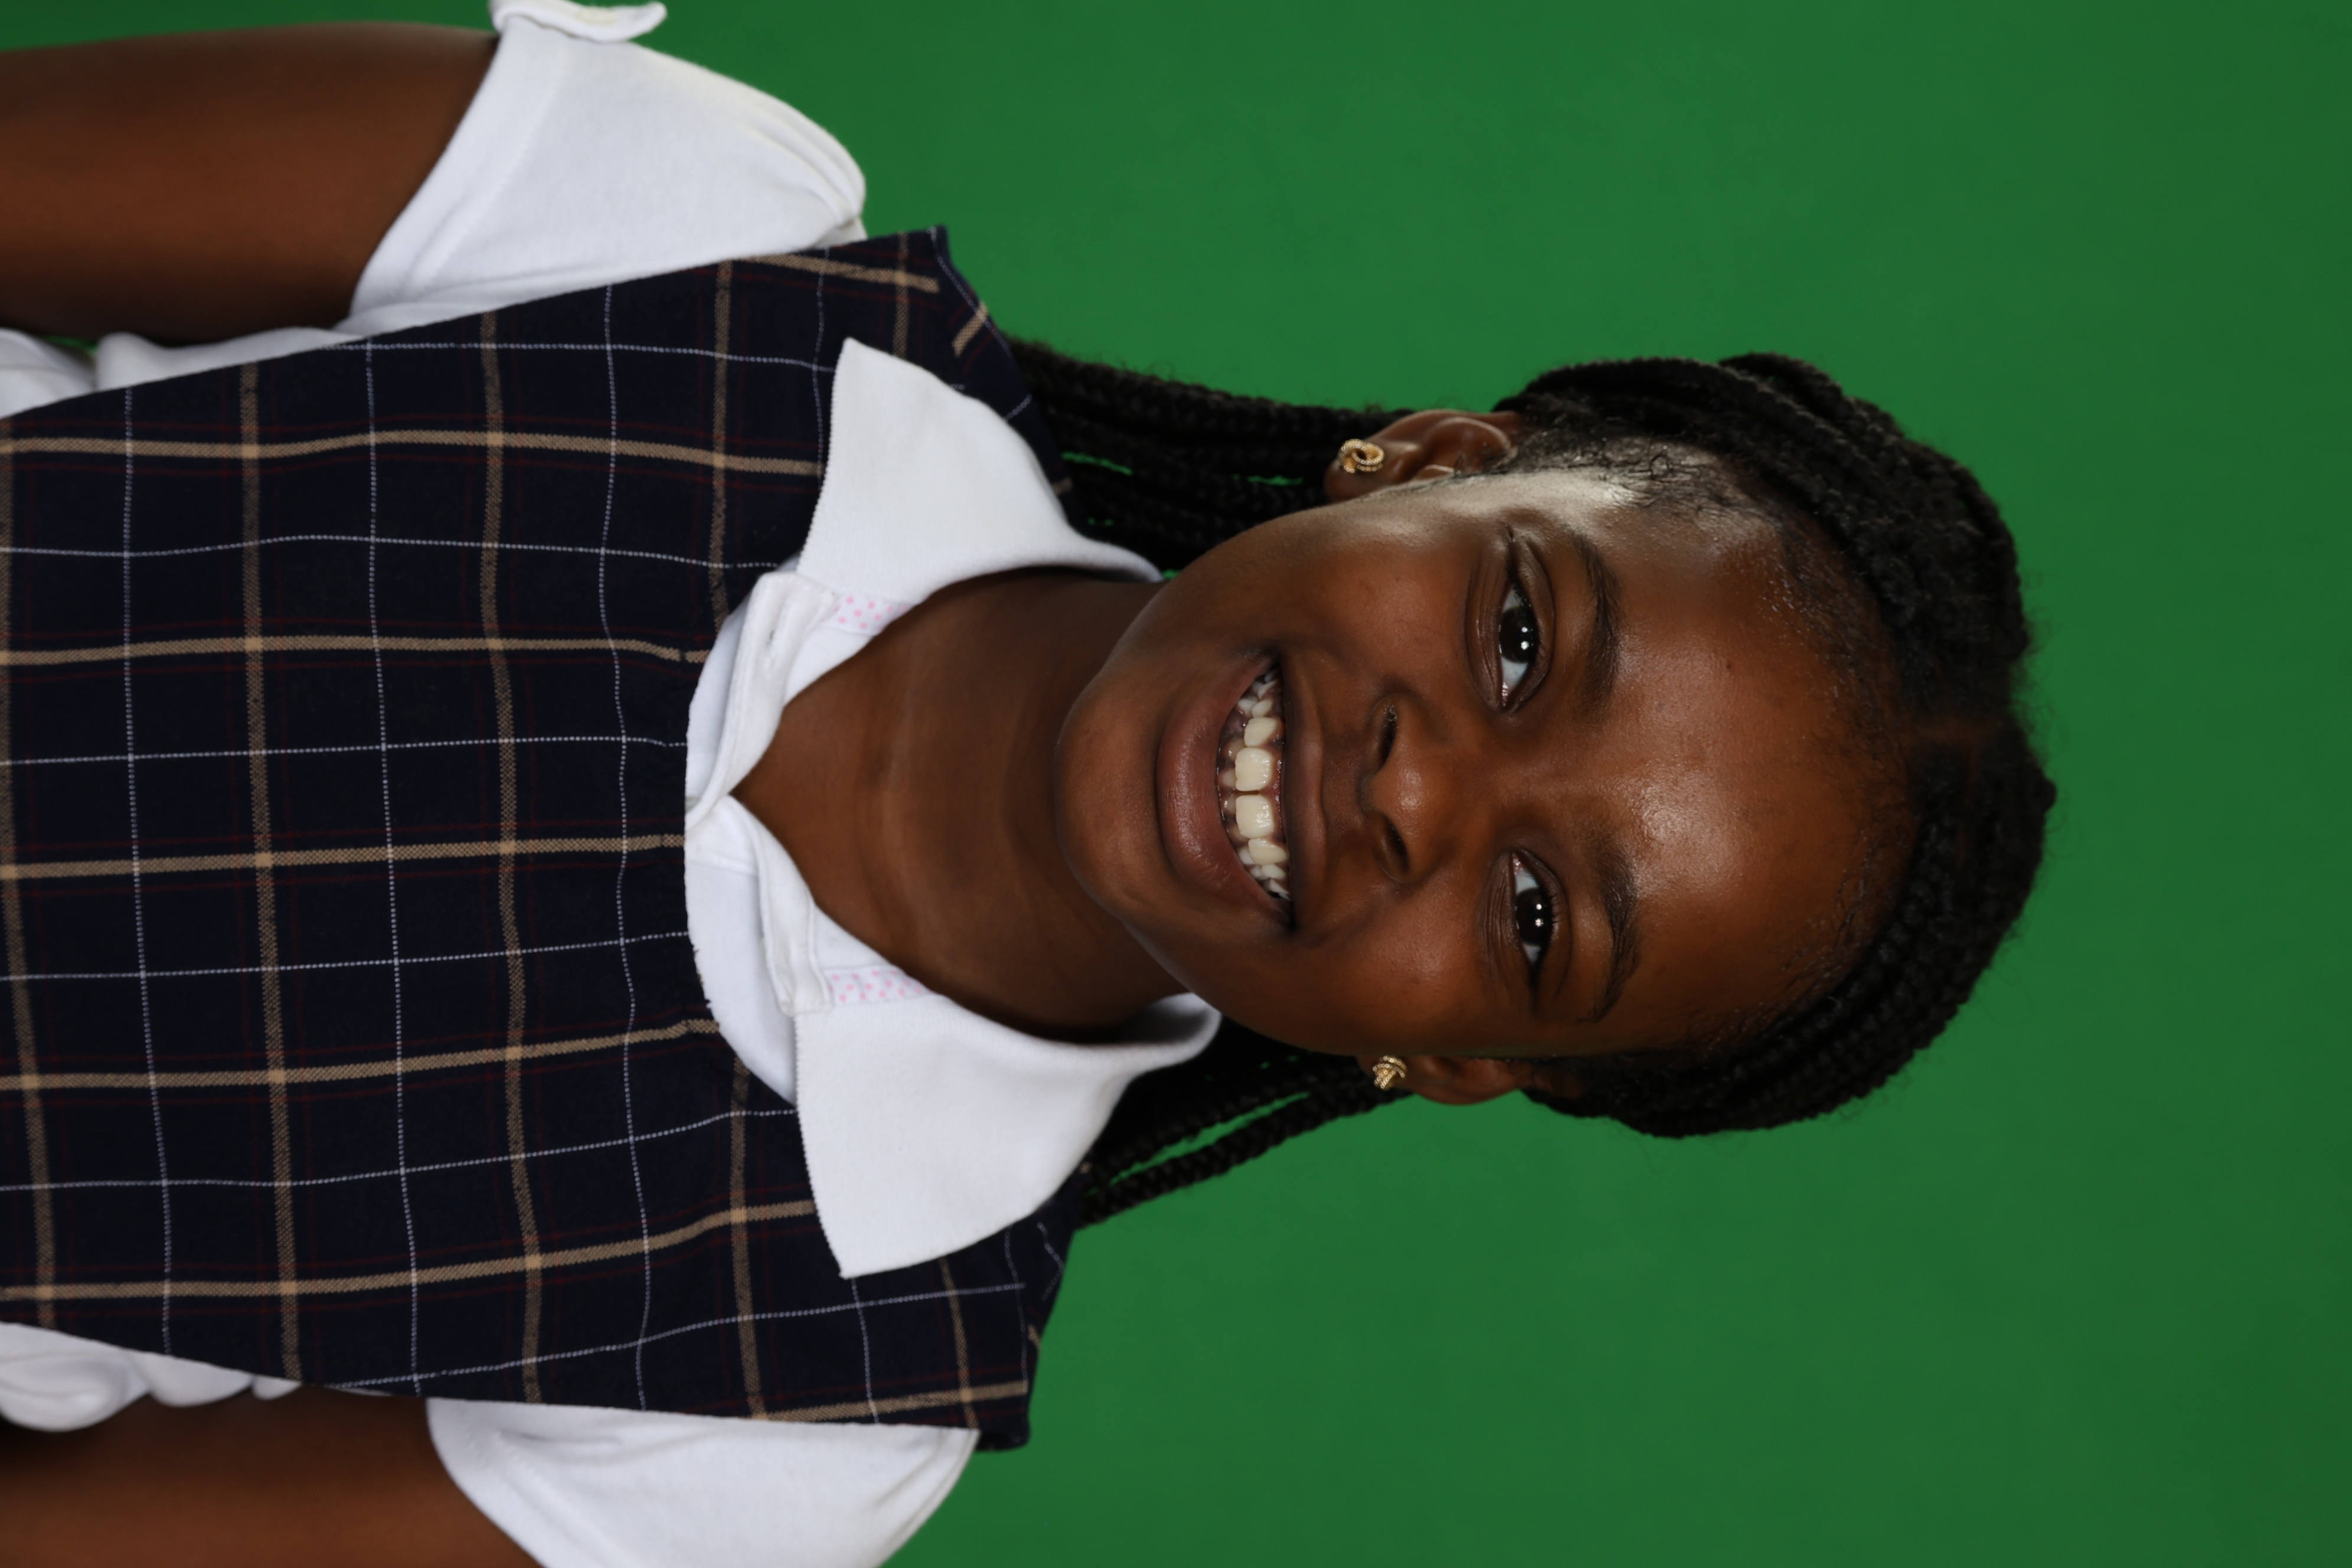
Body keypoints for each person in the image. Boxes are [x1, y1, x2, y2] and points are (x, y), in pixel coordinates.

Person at [0, 4, 2055, 1566]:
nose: (1421, 791)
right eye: (1521, 635)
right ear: (1434, 464)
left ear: (1459, 1063)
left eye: (1536, 917)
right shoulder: (702, 242)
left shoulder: (797, 1415)